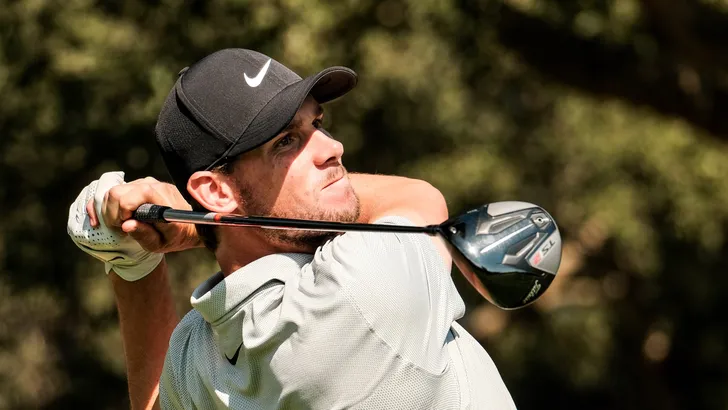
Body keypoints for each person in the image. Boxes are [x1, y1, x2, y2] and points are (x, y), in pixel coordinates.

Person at [67, 48, 517, 409]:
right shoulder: (361, 291)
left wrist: (131, 263)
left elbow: (155, 401)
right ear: (216, 192)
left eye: (317, 124)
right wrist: (191, 229)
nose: (334, 148)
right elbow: (419, 199)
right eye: (286, 141)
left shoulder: (198, 356)